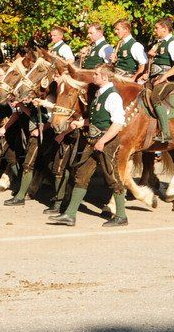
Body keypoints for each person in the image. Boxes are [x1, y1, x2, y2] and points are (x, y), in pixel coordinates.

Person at [48, 66, 130, 227]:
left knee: (112, 178)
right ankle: (70, 215)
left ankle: (121, 216)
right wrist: (82, 123)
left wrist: (103, 141)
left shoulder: (113, 96)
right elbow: (97, 119)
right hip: (92, 140)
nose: (93, 76)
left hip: (105, 143)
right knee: (81, 176)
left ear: (105, 77)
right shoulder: (99, 94)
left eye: (96, 74)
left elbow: (118, 123)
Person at [141, 17, 174, 144]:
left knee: (155, 97)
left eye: (157, 28)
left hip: (168, 80)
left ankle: (165, 133)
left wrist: (164, 76)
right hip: (153, 79)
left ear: (165, 29)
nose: (154, 30)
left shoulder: (173, 43)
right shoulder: (157, 44)